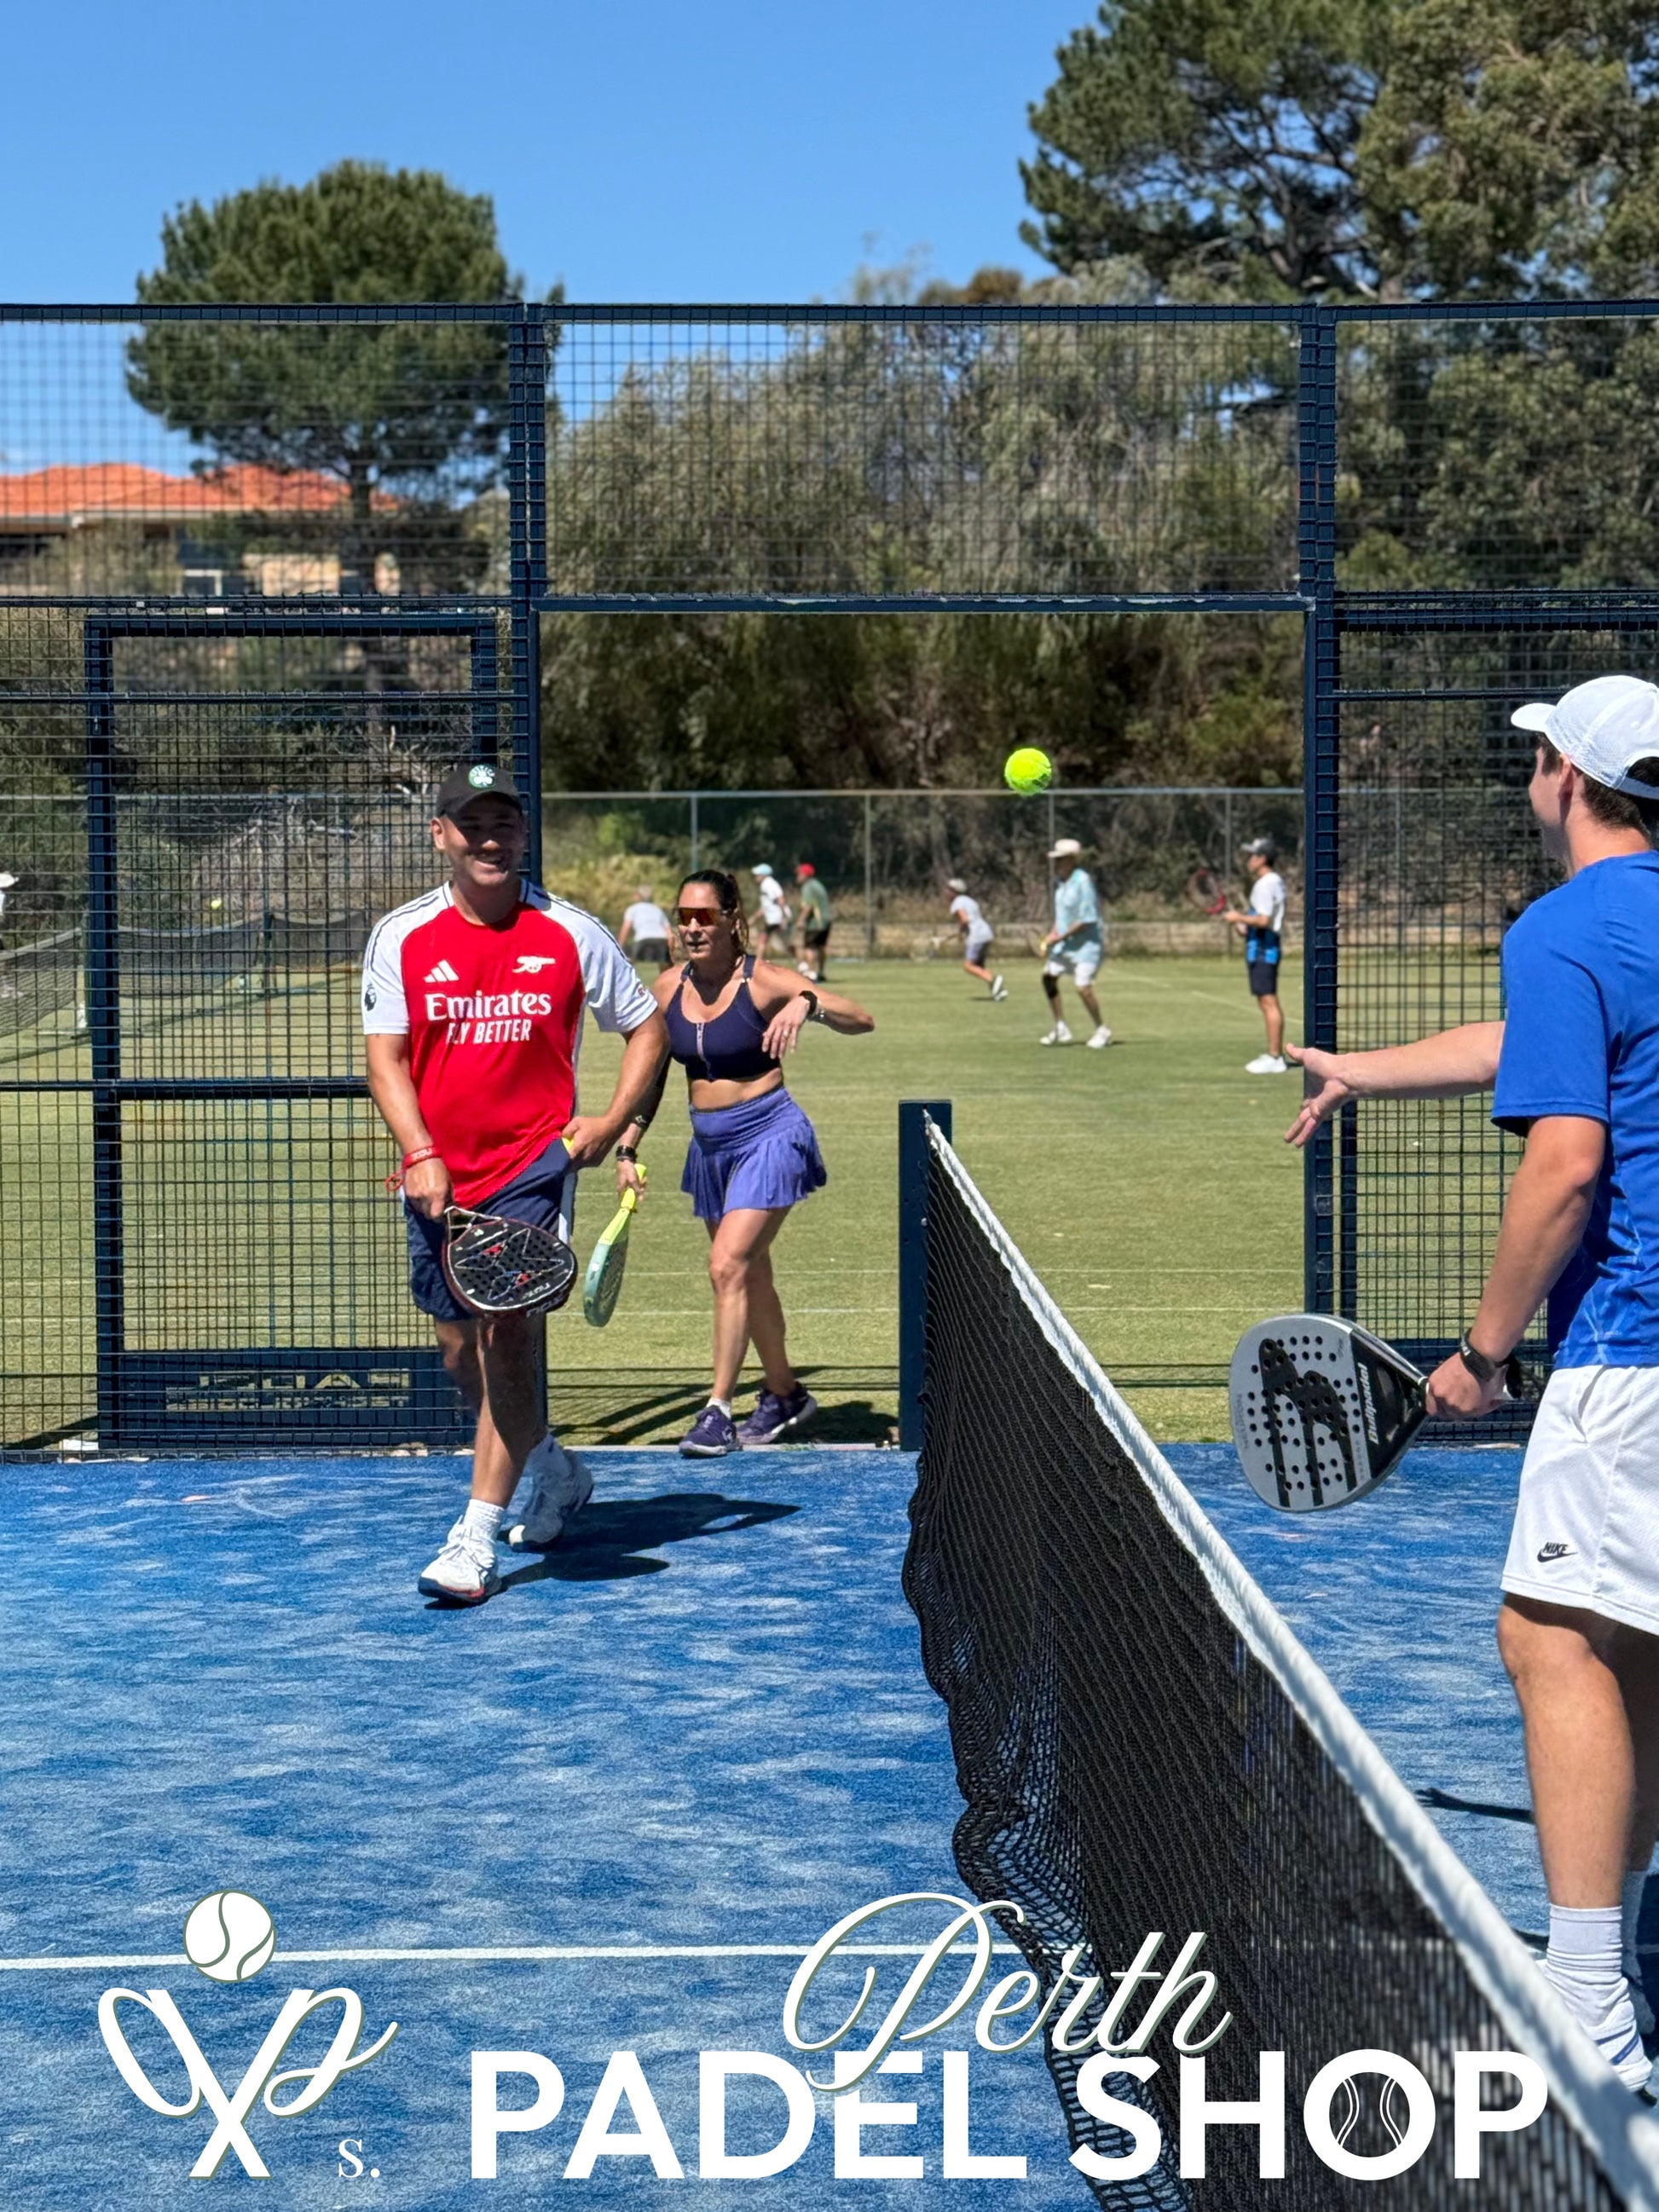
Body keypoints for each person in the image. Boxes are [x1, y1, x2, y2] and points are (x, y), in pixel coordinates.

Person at [1287, 673, 1659, 2093]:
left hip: (1629, 1347)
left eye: (1537, 756)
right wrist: (1362, 1071)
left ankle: (1585, 2004)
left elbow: (1565, 1158)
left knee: (1550, 1639)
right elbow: (1539, 1046)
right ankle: (1615, 1949)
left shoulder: (1563, 924)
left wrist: (1481, 1352)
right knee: (1636, 1641)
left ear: (1565, 773)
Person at [361, 762, 668, 1607]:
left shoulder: (570, 932)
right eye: (473, 825)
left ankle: (475, 1538)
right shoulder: (400, 936)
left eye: (504, 824)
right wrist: (420, 1151)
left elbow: (647, 1028)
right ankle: (555, 1471)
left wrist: (609, 1121)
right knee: (461, 1354)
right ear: (441, 836)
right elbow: (385, 1061)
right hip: (437, 1178)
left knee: (505, 1333)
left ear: (524, 834)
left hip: (534, 1166)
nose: (490, 840)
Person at [615, 868, 874, 1457]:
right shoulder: (666, 988)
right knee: (750, 1274)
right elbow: (651, 1076)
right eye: (684, 916)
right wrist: (628, 1145)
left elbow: (862, 1018)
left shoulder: (766, 980)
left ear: (733, 920)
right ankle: (784, 1393)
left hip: (770, 1134)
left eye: (704, 916)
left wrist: (808, 1002)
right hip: (710, 1147)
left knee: (727, 1265)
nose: (692, 927)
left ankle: (718, 1411)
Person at [1221, 837, 1289, 1073]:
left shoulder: (1265, 884)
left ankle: (1275, 1057)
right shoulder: (1274, 881)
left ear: (1262, 858)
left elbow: (1263, 920)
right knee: (1266, 1001)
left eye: (1253, 855)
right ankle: (1273, 1054)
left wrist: (1237, 917)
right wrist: (1245, 926)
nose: (1249, 860)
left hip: (1263, 949)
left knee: (1268, 1001)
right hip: (1263, 945)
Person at [1039, 838, 1109, 1048]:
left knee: (1082, 988)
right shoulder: (1061, 884)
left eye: (1061, 859)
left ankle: (1102, 1030)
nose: (1057, 864)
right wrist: (1050, 936)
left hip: (1087, 947)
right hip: (1066, 946)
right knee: (1048, 977)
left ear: (1071, 860)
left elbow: (1086, 919)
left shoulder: (1083, 881)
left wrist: (1059, 938)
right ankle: (1061, 1027)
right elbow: (1062, 918)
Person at [946, 877, 1005, 999]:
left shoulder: (957, 902)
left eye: (949, 890)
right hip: (986, 933)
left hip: (976, 935)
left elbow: (964, 920)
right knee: (979, 966)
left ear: (954, 891)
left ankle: (994, 980)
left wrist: (960, 932)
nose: (946, 892)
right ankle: (998, 992)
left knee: (968, 966)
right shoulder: (971, 901)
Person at [618, 884, 674, 974]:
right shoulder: (658, 910)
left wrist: (619, 947)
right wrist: (671, 950)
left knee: (628, 964)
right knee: (665, 968)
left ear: (638, 896)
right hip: (661, 939)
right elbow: (669, 933)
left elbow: (626, 929)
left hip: (642, 939)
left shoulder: (632, 909)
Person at [793, 862, 833, 982]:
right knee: (821, 947)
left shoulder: (808, 887)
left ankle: (812, 974)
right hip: (826, 921)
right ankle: (820, 972)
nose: (797, 877)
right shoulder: (818, 884)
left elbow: (808, 906)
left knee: (809, 947)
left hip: (815, 922)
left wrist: (801, 920)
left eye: (799, 874)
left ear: (806, 875)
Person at [749, 862, 790, 959]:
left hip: (777, 918)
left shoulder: (769, 884)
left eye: (758, 875)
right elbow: (765, 907)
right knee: (786, 944)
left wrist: (784, 918)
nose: (756, 877)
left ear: (763, 875)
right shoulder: (765, 885)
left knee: (762, 939)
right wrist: (753, 919)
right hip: (775, 918)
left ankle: (758, 962)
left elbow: (781, 899)